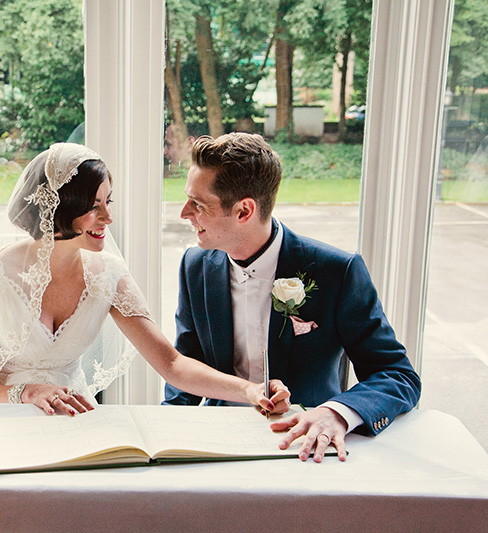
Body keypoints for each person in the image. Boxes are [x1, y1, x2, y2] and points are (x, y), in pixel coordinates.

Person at [0, 142, 289, 417]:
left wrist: (250, 390)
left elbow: (172, 364)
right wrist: (28, 393)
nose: (108, 217)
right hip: (3, 420)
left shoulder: (109, 275)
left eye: (108, 201)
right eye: (94, 206)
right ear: (61, 207)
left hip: (75, 420)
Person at [162, 132, 422, 462]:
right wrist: (164, 437)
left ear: (244, 211)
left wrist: (337, 413)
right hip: (216, 438)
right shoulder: (195, 265)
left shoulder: (336, 271)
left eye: (198, 204)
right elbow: (187, 365)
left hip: (307, 447)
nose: (184, 213)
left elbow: (398, 374)